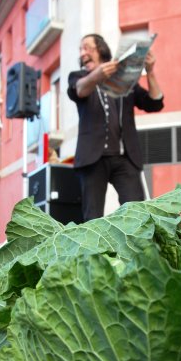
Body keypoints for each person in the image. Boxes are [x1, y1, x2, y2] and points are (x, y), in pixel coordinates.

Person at [67, 33, 164, 221]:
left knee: (137, 216)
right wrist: (97, 75)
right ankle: (94, 251)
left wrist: (150, 71)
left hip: (125, 157)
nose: (82, 52)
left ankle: (135, 250)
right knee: (92, 220)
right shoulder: (79, 77)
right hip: (92, 159)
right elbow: (79, 89)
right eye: (80, 49)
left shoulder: (123, 78)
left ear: (100, 49)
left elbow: (155, 103)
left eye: (87, 47)